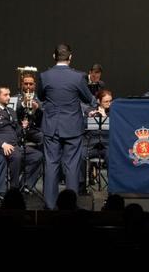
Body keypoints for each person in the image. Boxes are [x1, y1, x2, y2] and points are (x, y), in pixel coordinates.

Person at [36, 43, 96, 210]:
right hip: (72, 127)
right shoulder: (78, 77)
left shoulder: (44, 76)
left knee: (51, 165)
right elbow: (87, 98)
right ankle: (69, 205)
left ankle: (49, 204)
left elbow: (40, 96)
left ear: (54, 57)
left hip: (51, 126)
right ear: (70, 57)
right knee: (71, 167)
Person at [0, 85, 43, 193]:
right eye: (5, 95)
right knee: (16, 156)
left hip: (14, 146)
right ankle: (13, 190)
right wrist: (3, 144)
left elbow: (18, 132)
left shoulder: (11, 111)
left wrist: (24, 127)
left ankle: (24, 185)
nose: (9, 97)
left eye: (9, 94)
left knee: (37, 156)